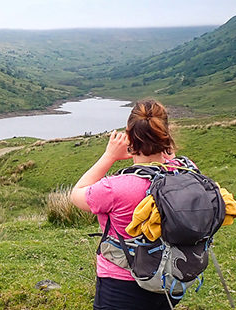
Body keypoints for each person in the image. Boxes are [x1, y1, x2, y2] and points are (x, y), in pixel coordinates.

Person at [69, 98, 183, 310]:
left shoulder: (115, 188)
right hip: (172, 277)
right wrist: (166, 152)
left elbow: (76, 194)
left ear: (129, 136)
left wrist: (109, 156)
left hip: (122, 285)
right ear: (166, 134)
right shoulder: (184, 172)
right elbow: (171, 159)